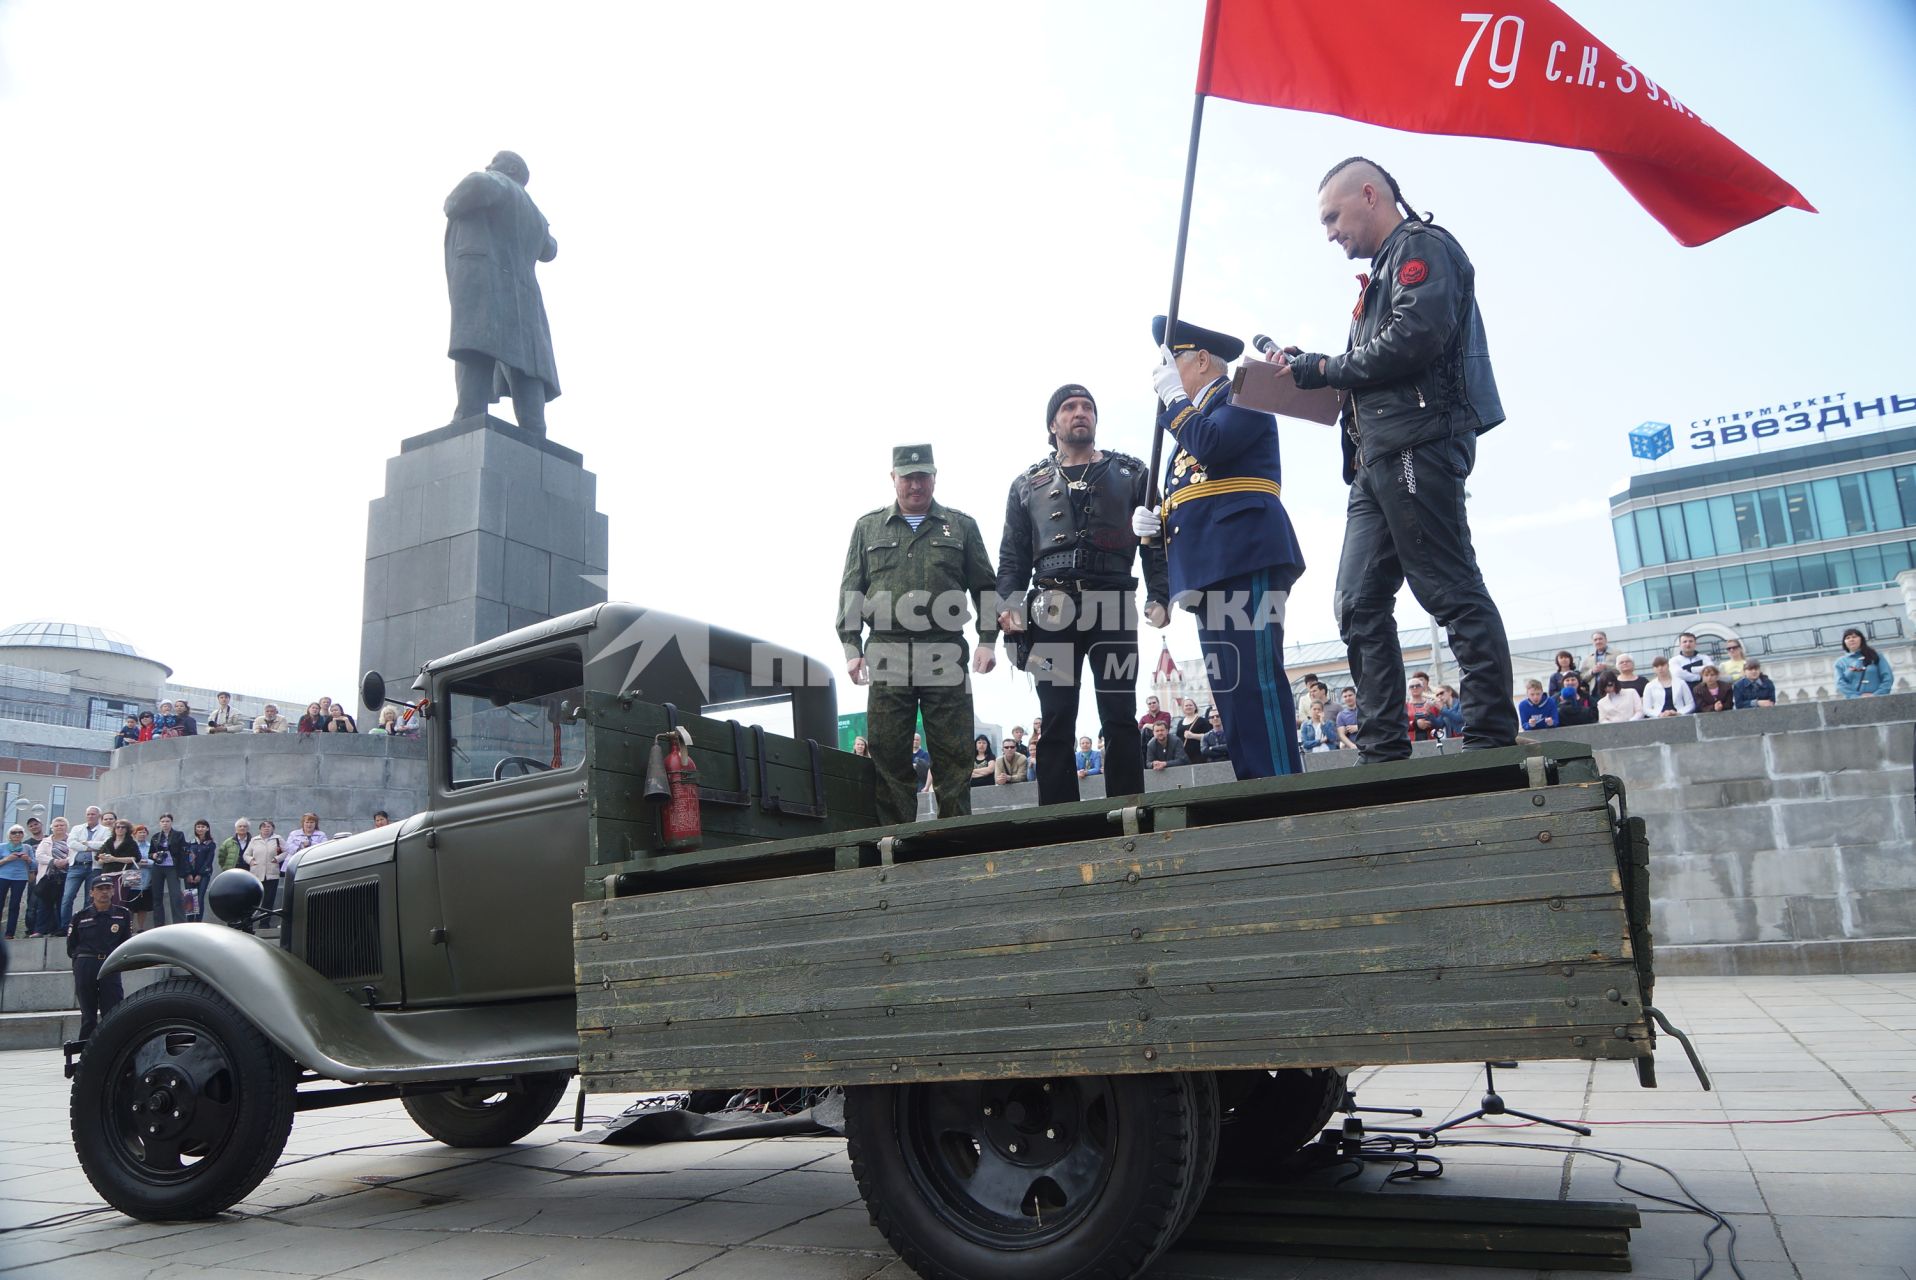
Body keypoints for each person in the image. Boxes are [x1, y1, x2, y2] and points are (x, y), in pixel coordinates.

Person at [1273, 157, 1516, 761]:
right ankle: (1382, 744)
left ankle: (1490, 737)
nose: (1329, 232)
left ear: (1369, 195)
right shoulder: (1386, 271)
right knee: (1356, 601)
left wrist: (1323, 368)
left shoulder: (1423, 247)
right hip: (1375, 455)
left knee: (1448, 586)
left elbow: (1414, 339)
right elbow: (1382, 356)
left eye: (1332, 216)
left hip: (1418, 441)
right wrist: (1317, 370)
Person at [1133, 316, 1306, 780]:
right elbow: (1200, 494)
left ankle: (1283, 788)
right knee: (1229, 688)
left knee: (1256, 680)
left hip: (1247, 552)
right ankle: (1255, 787)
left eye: (1176, 364)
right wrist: (1158, 520)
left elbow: (1212, 446)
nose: (1169, 377)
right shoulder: (1195, 418)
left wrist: (1172, 399)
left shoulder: (1242, 395)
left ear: (1202, 360)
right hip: (1210, 568)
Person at [837, 443, 999, 825]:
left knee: (954, 751)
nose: (916, 485)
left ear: (934, 477)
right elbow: (851, 590)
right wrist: (851, 646)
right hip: (887, 651)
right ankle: (898, 841)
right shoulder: (868, 527)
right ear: (893, 478)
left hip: (944, 650)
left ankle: (956, 836)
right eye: (908, 478)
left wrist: (988, 640)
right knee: (888, 750)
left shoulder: (961, 526)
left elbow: (986, 588)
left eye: (923, 476)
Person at [446, 150, 560, 433]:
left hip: (487, 284)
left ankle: (467, 417)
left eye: (494, 162)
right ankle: (534, 432)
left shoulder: (495, 182)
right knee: (528, 367)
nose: (488, 165)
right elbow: (550, 250)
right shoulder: (537, 215)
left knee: (476, 349)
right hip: (526, 300)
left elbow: (454, 202)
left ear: (509, 169)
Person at [68, 878, 132, 1042]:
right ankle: (84, 1054)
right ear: (91, 892)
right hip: (86, 964)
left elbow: (126, 942)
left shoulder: (122, 914)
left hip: (109, 965)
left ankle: (114, 1049)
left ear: (112, 891)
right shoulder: (80, 917)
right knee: (88, 1014)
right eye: (100, 888)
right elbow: (72, 946)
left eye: (107, 888)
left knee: (112, 1012)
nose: (104, 892)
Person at [61, 806, 110, 931]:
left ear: (98, 816)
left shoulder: (106, 830)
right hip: (76, 867)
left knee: (90, 898)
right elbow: (71, 843)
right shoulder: (77, 828)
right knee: (67, 897)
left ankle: (86, 925)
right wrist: (89, 847)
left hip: (93, 867)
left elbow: (104, 844)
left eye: (93, 814)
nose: (90, 816)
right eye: (88, 814)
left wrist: (85, 842)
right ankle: (65, 927)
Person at [28, 816, 70, 938]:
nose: (59, 827)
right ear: (52, 828)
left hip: (66, 875)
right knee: (43, 904)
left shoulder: (71, 839)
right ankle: (39, 930)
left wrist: (65, 861)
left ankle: (61, 929)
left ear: (66, 827)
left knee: (62, 903)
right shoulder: (46, 841)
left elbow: (75, 853)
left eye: (62, 825)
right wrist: (54, 861)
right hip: (48, 877)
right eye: (56, 825)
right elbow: (39, 855)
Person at [147, 812, 188, 927]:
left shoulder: (178, 835)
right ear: (159, 823)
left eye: (167, 821)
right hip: (158, 868)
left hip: (172, 867)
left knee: (175, 895)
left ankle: (179, 923)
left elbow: (182, 852)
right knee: (157, 897)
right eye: (163, 821)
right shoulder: (155, 837)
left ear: (171, 822)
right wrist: (154, 856)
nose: (165, 824)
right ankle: (159, 925)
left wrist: (183, 870)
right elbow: (150, 854)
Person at [1834, 628, 1893, 698]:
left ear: (1861, 639)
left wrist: (1877, 694)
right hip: (1853, 702)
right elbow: (1840, 683)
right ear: (1844, 642)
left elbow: (1887, 677)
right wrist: (1856, 697)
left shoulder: (1876, 656)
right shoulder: (1840, 662)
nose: (1851, 639)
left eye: (1854, 637)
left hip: (1879, 699)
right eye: (1847, 638)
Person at [181, 819, 217, 922]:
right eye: (198, 827)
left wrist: (200, 874)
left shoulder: (210, 844)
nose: (200, 829)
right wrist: (188, 874)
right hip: (190, 875)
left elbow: (209, 861)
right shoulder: (190, 843)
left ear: (207, 828)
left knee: (200, 899)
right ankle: (190, 922)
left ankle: (198, 922)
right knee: (190, 899)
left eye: (203, 827)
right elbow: (186, 860)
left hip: (203, 875)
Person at [248, 819, 286, 917]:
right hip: (256, 873)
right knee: (255, 898)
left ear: (273, 828)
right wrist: (251, 861)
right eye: (264, 827)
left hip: (272, 873)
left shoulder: (278, 839)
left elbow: (286, 852)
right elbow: (246, 854)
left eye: (269, 826)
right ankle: (251, 920)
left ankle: (264, 922)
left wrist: (277, 859)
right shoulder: (254, 840)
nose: (266, 829)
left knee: (269, 899)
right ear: (260, 829)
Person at [122, 823, 156, 930]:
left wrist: (146, 862)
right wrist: (136, 862)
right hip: (131, 877)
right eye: (139, 832)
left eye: (144, 832)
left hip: (146, 878)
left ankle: (141, 928)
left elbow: (155, 861)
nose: (142, 834)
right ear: (134, 834)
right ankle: (129, 928)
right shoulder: (130, 845)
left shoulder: (151, 846)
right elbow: (127, 860)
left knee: (143, 906)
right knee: (130, 905)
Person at [0, 825, 31, 939]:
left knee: (15, 905)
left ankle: (10, 933)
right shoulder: (2, 847)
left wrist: (27, 859)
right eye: (14, 832)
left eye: (20, 832)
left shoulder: (27, 847)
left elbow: (34, 865)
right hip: (2, 877)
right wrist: (7, 859)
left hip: (20, 878)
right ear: (9, 835)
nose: (17, 834)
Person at [1173, 697, 1211, 765]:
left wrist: (1193, 736)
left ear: (1195, 707)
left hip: (1199, 754)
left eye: (1190, 705)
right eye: (1186, 706)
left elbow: (1209, 736)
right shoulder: (1180, 722)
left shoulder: (1202, 721)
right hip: (1184, 756)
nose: (1188, 707)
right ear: (1183, 708)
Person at [1405, 675, 1441, 743]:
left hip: (1432, 739)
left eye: (1418, 685)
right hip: (1411, 741)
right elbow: (1400, 725)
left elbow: (1440, 723)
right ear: (1408, 690)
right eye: (1411, 686)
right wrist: (1414, 724)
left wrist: (1430, 719)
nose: (1415, 688)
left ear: (1423, 688)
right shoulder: (1404, 706)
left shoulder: (1432, 704)